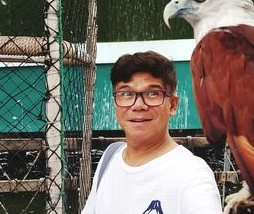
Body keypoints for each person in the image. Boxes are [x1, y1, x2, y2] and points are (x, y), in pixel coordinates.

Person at [82, 51, 222, 214]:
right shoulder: (109, 159)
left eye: (153, 93)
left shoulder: (193, 175)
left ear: (173, 105)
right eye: (127, 94)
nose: (138, 105)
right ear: (115, 103)